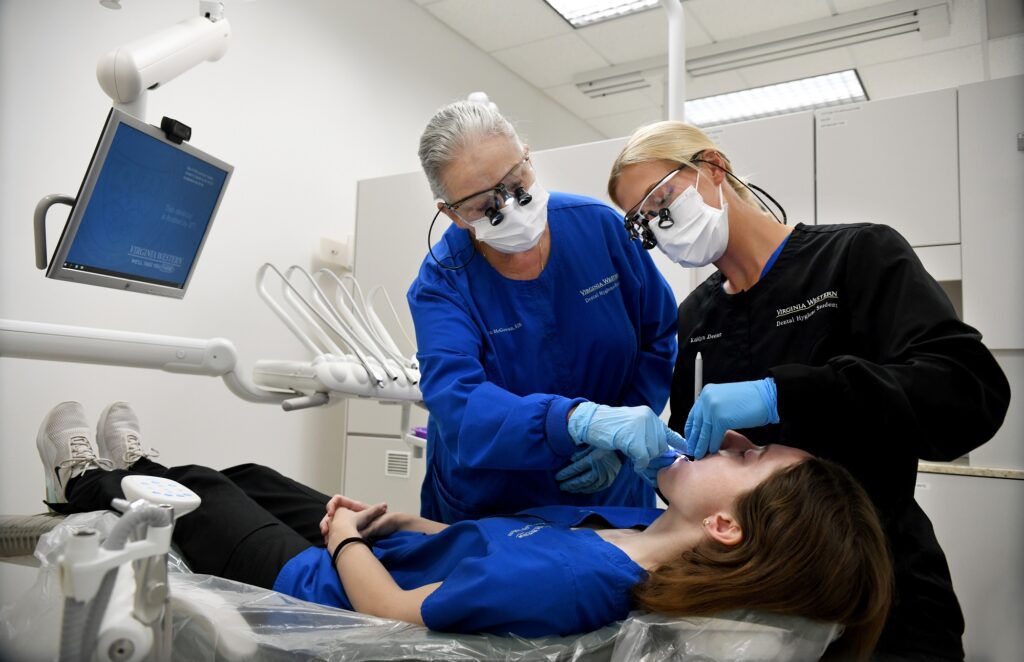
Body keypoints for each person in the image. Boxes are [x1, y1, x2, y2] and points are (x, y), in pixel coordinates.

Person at [39, 400, 892, 658]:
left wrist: (344, 542)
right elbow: (501, 546)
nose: (728, 442)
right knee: (251, 479)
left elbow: (394, 620)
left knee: (195, 493)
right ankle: (132, 471)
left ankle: (85, 480)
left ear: (725, 527)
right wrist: (417, 522)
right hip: (396, 545)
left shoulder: (587, 582)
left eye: (748, 459)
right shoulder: (629, 527)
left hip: (330, 585)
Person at [606, 120, 1012, 661]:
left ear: (711, 167)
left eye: (661, 202)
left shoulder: (856, 257)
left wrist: (785, 392)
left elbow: (969, 394)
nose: (658, 229)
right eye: (642, 225)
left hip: (884, 590)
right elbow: (706, 479)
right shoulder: (694, 322)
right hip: (751, 610)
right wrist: (658, 463)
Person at [408, 100, 683, 523]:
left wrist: (615, 436)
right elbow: (459, 403)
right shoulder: (442, 284)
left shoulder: (597, 228)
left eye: (516, 182)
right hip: (496, 503)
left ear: (528, 156)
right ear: (452, 213)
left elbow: (657, 334)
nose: (511, 206)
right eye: (485, 206)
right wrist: (572, 420)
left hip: (611, 489)